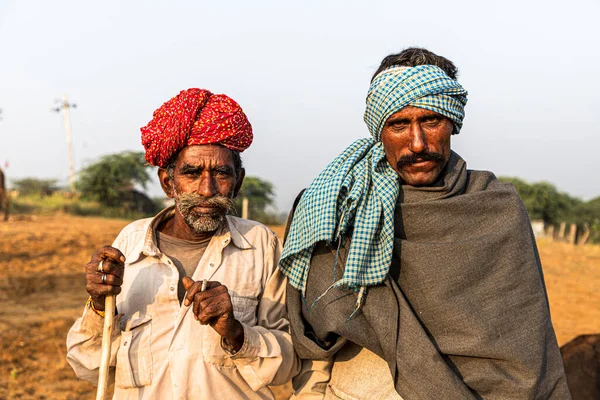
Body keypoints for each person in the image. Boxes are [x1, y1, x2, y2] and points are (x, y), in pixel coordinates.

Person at [280, 48, 570, 399]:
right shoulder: (337, 207)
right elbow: (315, 350)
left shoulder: (496, 208)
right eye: (399, 124)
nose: (417, 143)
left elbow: (526, 353)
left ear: (453, 122)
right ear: (379, 131)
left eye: (431, 121)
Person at [67, 88, 300, 399]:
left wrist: (236, 332)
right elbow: (89, 367)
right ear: (168, 182)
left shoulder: (261, 245)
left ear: (239, 181)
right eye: (191, 173)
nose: (207, 189)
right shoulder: (130, 245)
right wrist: (98, 306)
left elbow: (290, 363)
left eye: (221, 173)